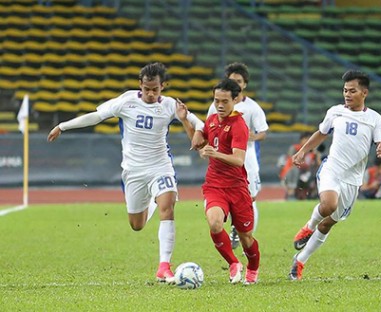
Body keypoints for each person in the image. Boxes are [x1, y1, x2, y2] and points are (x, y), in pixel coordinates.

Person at [47, 62, 204, 284]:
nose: (150, 93)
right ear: (140, 84)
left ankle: (163, 266)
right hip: (134, 171)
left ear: (163, 86)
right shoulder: (126, 101)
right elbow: (96, 116)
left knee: (168, 207)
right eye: (146, 88)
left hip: (161, 166)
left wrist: (196, 130)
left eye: (155, 89)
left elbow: (200, 123)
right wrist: (63, 126)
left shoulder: (171, 106)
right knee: (136, 225)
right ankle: (152, 203)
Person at [288, 70, 381, 280]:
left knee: (328, 223)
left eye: (352, 91)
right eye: (345, 90)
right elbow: (321, 133)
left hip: (353, 180)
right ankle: (307, 227)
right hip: (332, 169)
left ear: (364, 93)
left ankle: (300, 260)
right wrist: (303, 151)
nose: (347, 94)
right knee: (328, 205)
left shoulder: (375, 119)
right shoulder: (335, 112)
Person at [192, 78, 260, 285]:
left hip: (237, 187)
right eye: (216, 101)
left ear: (235, 100)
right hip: (214, 185)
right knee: (214, 223)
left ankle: (253, 269)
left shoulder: (239, 125)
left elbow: (238, 160)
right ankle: (233, 263)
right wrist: (194, 130)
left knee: (246, 237)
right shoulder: (212, 119)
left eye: (224, 102)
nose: (220, 106)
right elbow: (201, 138)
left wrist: (215, 153)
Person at [206, 62, 268, 249]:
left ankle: (242, 232)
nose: (236, 84)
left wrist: (249, 136)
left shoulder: (252, 107)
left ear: (245, 84)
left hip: (247, 158)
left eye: (239, 81)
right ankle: (233, 229)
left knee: (250, 198)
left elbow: (263, 132)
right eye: (232, 80)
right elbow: (209, 127)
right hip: (223, 159)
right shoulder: (215, 106)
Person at [279, 132, 321, 200]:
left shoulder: (313, 152)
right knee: (295, 170)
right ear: (301, 139)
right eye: (307, 139)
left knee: (319, 171)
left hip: (306, 175)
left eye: (310, 139)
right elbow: (293, 163)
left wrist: (317, 155)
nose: (308, 141)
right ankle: (291, 194)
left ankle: (315, 193)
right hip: (290, 174)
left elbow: (319, 165)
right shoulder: (295, 148)